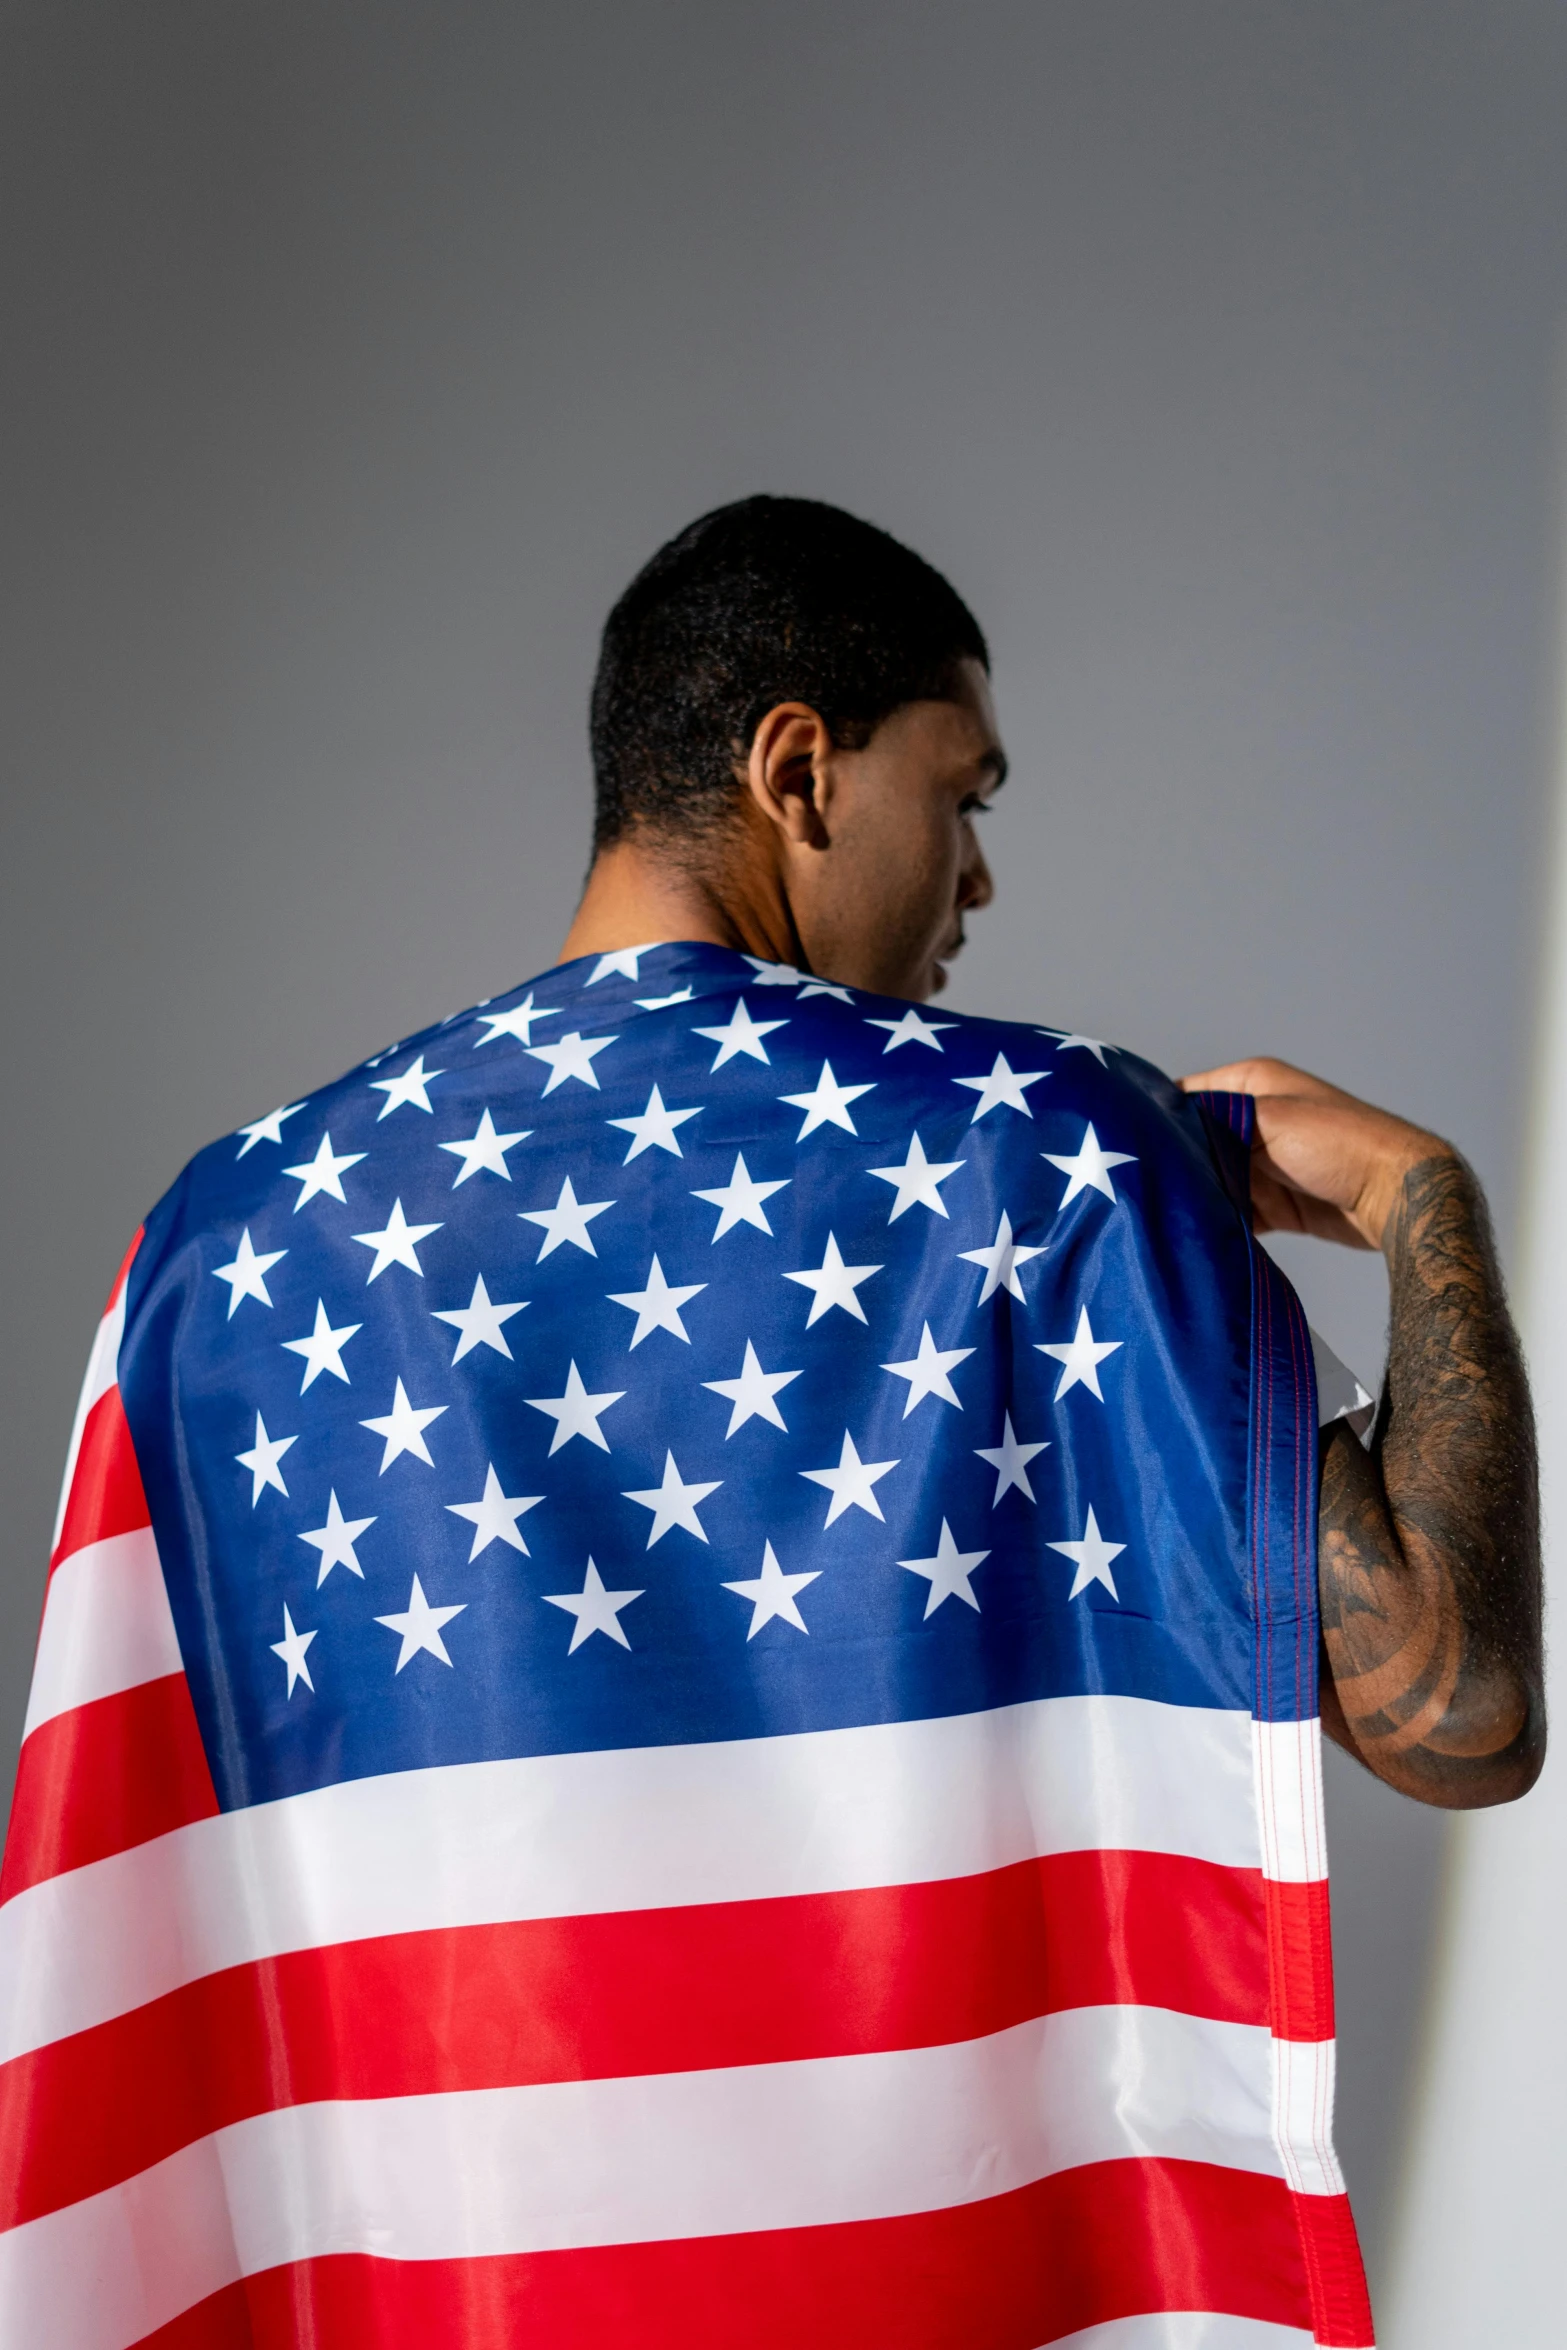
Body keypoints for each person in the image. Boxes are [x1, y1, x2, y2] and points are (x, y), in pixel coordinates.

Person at [0, 497, 1541, 2349]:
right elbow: (1457, 1713)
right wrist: (1426, 1198)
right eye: (964, 796)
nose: (977, 879)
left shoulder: (222, 1250)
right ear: (797, 770)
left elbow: (128, 1990)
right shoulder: (1047, 1162)